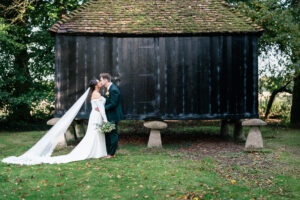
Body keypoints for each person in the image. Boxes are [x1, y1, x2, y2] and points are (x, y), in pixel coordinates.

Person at [2, 79, 108, 165]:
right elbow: (102, 109)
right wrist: (105, 119)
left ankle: (97, 151)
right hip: (97, 116)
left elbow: (100, 105)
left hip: (95, 115)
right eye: (98, 82)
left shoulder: (96, 93)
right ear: (95, 85)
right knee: (94, 133)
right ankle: (96, 152)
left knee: (95, 133)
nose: (100, 82)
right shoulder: (96, 94)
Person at [97, 73, 124, 158]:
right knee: (108, 134)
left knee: (113, 134)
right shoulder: (109, 89)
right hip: (110, 114)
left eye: (101, 80)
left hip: (113, 115)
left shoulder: (113, 89)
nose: (101, 82)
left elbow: (113, 104)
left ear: (106, 80)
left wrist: (102, 108)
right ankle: (109, 152)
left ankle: (112, 153)